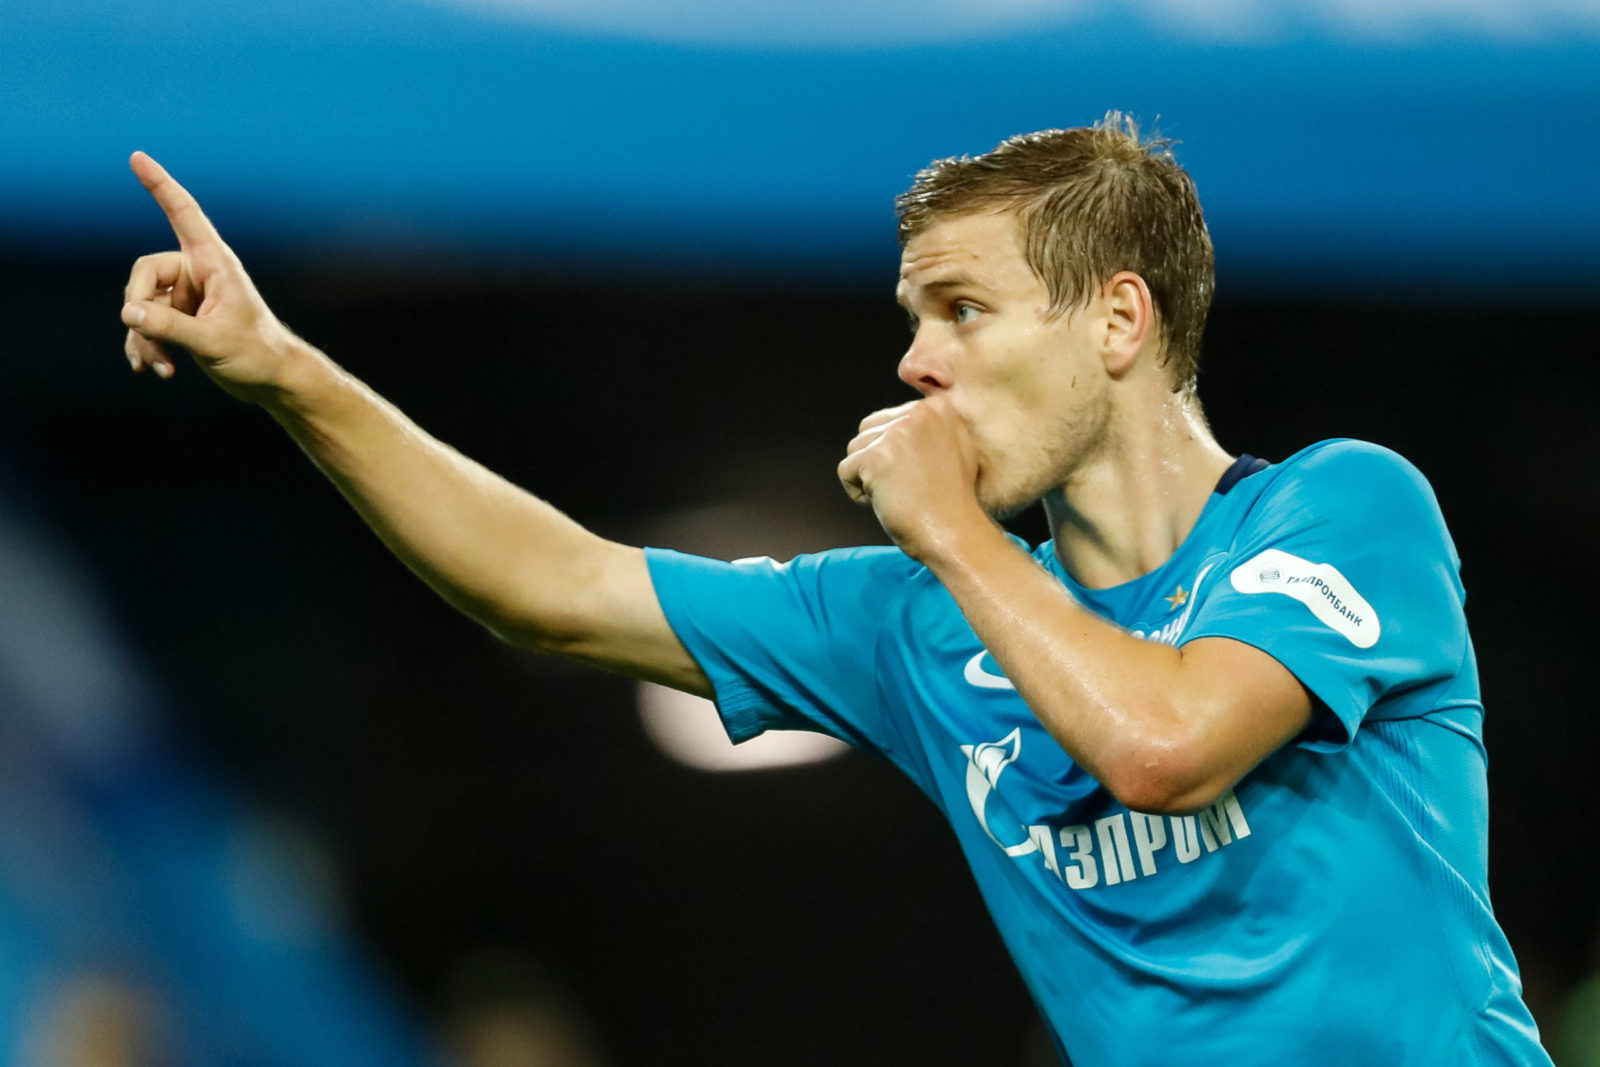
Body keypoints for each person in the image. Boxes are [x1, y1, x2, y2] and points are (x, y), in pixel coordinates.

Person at [119, 115, 1552, 1065]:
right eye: (913, 319)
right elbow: (553, 588)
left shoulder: (1344, 508)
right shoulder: (915, 622)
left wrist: (953, 536)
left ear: (1119, 318)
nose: (917, 363)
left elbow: (1165, 746)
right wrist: (287, 374)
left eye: (964, 310)